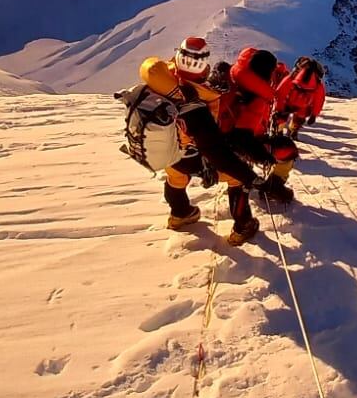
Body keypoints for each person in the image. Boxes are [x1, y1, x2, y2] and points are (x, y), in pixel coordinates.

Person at [138, 36, 271, 244]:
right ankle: (243, 225)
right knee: (236, 179)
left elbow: (149, 67)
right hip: (194, 156)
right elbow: (213, 147)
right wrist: (249, 176)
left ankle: (180, 214)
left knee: (176, 179)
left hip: (168, 152)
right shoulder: (203, 98)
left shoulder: (165, 77)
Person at [221, 46, 298, 204]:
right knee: (287, 150)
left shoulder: (238, 78)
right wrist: (264, 157)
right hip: (240, 143)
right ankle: (273, 188)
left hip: (223, 138)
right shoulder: (256, 97)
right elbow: (242, 136)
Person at [273, 57, 327, 137]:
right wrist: (314, 115)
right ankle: (293, 131)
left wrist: (278, 109)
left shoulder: (292, 77)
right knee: (299, 119)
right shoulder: (318, 84)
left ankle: (278, 131)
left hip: (288, 102)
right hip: (304, 106)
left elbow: (280, 93)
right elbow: (319, 100)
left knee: (281, 118)